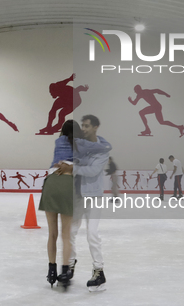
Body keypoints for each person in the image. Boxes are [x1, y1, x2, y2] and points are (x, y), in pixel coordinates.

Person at [39, 120, 110, 289]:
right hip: (77, 196)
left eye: (88, 127)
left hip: (93, 196)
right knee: (70, 232)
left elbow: (92, 170)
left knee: (91, 233)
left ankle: (99, 271)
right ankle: (69, 266)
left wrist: (72, 168)